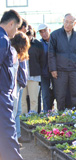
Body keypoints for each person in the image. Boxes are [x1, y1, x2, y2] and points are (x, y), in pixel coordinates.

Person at [48, 13, 76, 111]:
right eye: (66, 21)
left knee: (75, 95)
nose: (68, 24)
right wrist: (53, 69)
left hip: (75, 71)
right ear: (63, 21)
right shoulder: (55, 35)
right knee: (60, 95)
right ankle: (61, 118)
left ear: (74, 23)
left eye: (70, 22)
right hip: (60, 71)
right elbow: (51, 53)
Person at [0, 9, 23, 160]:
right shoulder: (3, 39)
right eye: (16, 28)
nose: (16, 32)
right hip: (1, 94)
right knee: (7, 131)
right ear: (11, 23)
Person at [14, 18, 30, 145]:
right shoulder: (14, 50)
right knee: (14, 112)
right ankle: (14, 137)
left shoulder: (19, 52)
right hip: (15, 84)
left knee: (17, 111)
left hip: (19, 83)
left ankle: (17, 135)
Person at [21, 27, 44, 114]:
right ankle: (23, 118)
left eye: (30, 36)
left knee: (34, 99)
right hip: (22, 76)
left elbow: (42, 60)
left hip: (34, 75)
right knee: (22, 100)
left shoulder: (38, 44)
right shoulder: (20, 43)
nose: (28, 38)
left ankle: (32, 118)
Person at [38, 23, 55, 112]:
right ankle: (46, 113)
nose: (43, 33)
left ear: (49, 30)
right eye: (41, 32)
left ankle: (60, 114)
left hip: (56, 73)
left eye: (45, 31)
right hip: (44, 74)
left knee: (58, 94)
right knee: (45, 95)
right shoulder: (39, 44)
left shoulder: (55, 41)